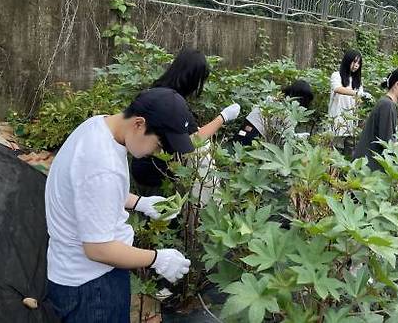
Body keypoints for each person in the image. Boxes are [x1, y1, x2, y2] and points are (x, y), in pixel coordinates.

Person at [45, 87, 194, 323]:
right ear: (139, 124)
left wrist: (140, 203)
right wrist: (157, 259)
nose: (157, 152)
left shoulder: (98, 126)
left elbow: (89, 194)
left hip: (72, 273)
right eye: (158, 144)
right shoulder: (102, 166)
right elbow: (98, 249)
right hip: (93, 287)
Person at [131, 48, 239, 188]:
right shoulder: (173, 102)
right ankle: (204, 207)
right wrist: (223, 117)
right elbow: (194, 140)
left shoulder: (153, 92)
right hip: (155, 172)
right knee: (202, 150)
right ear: (192, 78)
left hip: (138, 165)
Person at [352, 67, 398, 171]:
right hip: (369, 167)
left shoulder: (386, 103)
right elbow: (388, 142)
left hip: (367, 164)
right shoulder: (387, 105)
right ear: (397, 85)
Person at [232, 79, 314, 146]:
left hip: (242, 132)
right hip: (252, 139)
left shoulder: (273, 99)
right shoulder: (287, 112)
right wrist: (306, 137)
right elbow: (287, 138)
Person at [327, 50, 370, 154]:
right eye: (354, 62)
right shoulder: (336, 75)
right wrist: (357, 93)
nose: (356, 65)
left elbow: (359, 99)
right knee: (332, 148)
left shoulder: (358, 81)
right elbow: (337, 89)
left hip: (350, 119)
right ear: (347, 61)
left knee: (347, 149)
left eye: (359, 63)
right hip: (337, 116)